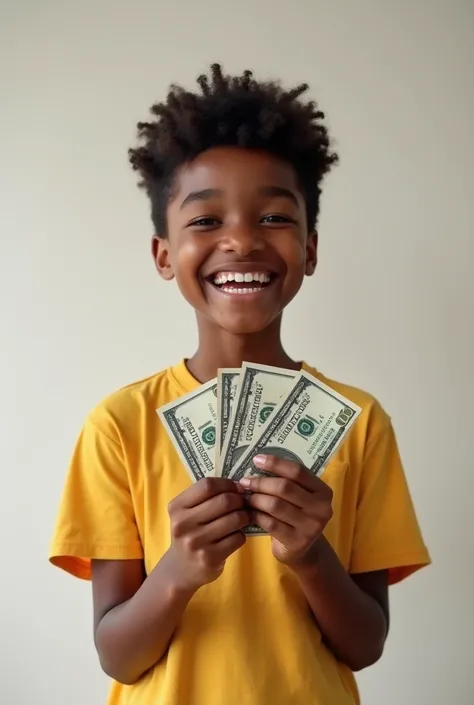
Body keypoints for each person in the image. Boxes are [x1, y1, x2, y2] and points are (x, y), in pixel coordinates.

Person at [49, 64, 431, 705]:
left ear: (310, 248)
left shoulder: (359, 421)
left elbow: (365, 645)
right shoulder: (119, 424)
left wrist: (312, 556)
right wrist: (179, 570)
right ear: (164, 254)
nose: (242, 241)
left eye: (275, 218)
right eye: (204, 222)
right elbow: (117, 654)